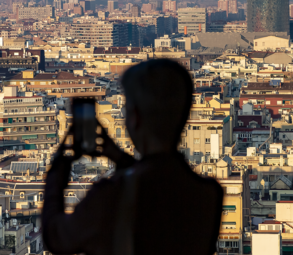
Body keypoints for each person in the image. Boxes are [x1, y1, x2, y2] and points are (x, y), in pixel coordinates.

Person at [42, 59, 224, 255]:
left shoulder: (110, 197)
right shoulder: (207, 194)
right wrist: (119, 158)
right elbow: (158, 183)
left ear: (135, 117)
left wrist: (59, 165)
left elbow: (56, 237)